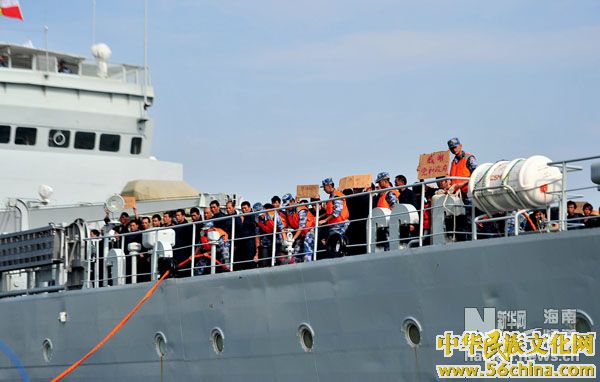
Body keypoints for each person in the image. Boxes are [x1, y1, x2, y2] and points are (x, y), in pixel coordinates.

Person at [319, 178, 350, 257]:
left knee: (336, 246)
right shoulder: (332, 196)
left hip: (339, 225)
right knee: (332, 245)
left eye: (324, 187)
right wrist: (319, 217)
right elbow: (329, 212)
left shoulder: (337, 195)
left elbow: (337, 211)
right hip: (334, 226)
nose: (324, 190)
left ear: (329, 186)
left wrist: (325, 220)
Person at [254, 202, 285, 267]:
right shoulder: (257, 219)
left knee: (279, 261)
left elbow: (281, 228)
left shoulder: (273, 214)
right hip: (265, 243)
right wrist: (257, 253)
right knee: (264, 263)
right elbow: (257, 236)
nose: (261, 216)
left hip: (276, 241)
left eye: (262, 213)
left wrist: (285, 242)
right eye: (259, 215)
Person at [286, 196, 316, 262]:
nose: (287, 207)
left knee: (307, 246)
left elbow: (302, 226)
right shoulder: (289, 212)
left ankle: (308, 265)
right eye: (286, 205)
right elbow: (291, 225)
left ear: (292, 202)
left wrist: (293, 239)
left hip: (310, 231)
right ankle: (295, 266)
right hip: (301, 234)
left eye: (288, 205)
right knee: (296, 249)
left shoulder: (301, 209)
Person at [235, 201, 257, 270]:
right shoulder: (242, 217)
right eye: (242, 209)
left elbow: (254, 227)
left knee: (249, 260)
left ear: (249, 208)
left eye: (245, 208)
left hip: (250, 241)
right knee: (242, 261)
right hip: (242, 242)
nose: (244, 210)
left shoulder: (253, 216)